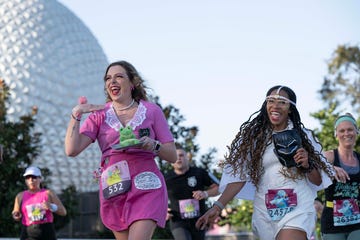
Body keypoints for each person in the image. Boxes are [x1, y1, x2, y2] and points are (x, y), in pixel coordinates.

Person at [195, 85, 335, 240]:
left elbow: (317, 180)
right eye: (271, 101)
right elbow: (238, 177)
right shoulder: (254, 139)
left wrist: (307, 164)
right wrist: (217, 207)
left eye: (282, 102)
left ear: (290, 108)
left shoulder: (304, 136)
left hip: (298, 206)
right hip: (265, 208)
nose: (275, 105)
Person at [64, 60, 177, 240]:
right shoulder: (99, 115)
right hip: (115, 184)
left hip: (146, 183)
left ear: (132, 83)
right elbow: (72, 149)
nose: (112, 81)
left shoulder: (151, 111)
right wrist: (76, 113)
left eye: (119, 77)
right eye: (108, 78)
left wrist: (154, 145)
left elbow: (172, 155)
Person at [165, 144, 220, 240]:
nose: (178, 158)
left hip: (199, 220)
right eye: (175, 156)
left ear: (187, 157)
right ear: (171, 161)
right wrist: (163, 210)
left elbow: (218, 188)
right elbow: (155, 197)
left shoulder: (199, 172)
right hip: (178, 221)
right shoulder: (166, 178)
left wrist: (205, 193)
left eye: (181, 155)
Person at [320, 113, 360, 240]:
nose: (346, 134)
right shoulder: (329, 156)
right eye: (341, 130)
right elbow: (311, 166)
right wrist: (330, 168)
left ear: (356, 131)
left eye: (350, 130)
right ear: (336, 134)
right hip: (332, 222)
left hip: (357, 221)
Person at [12, 166, 67, 240]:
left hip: (46, 231)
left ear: (40, 179)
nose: (31, 180)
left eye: (34, 177)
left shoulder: (48, 193)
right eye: (28, 178)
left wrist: (51, 206)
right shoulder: (20, 196)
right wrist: (16, 215)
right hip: (28, 232)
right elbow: (15, 212)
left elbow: (63, 212)